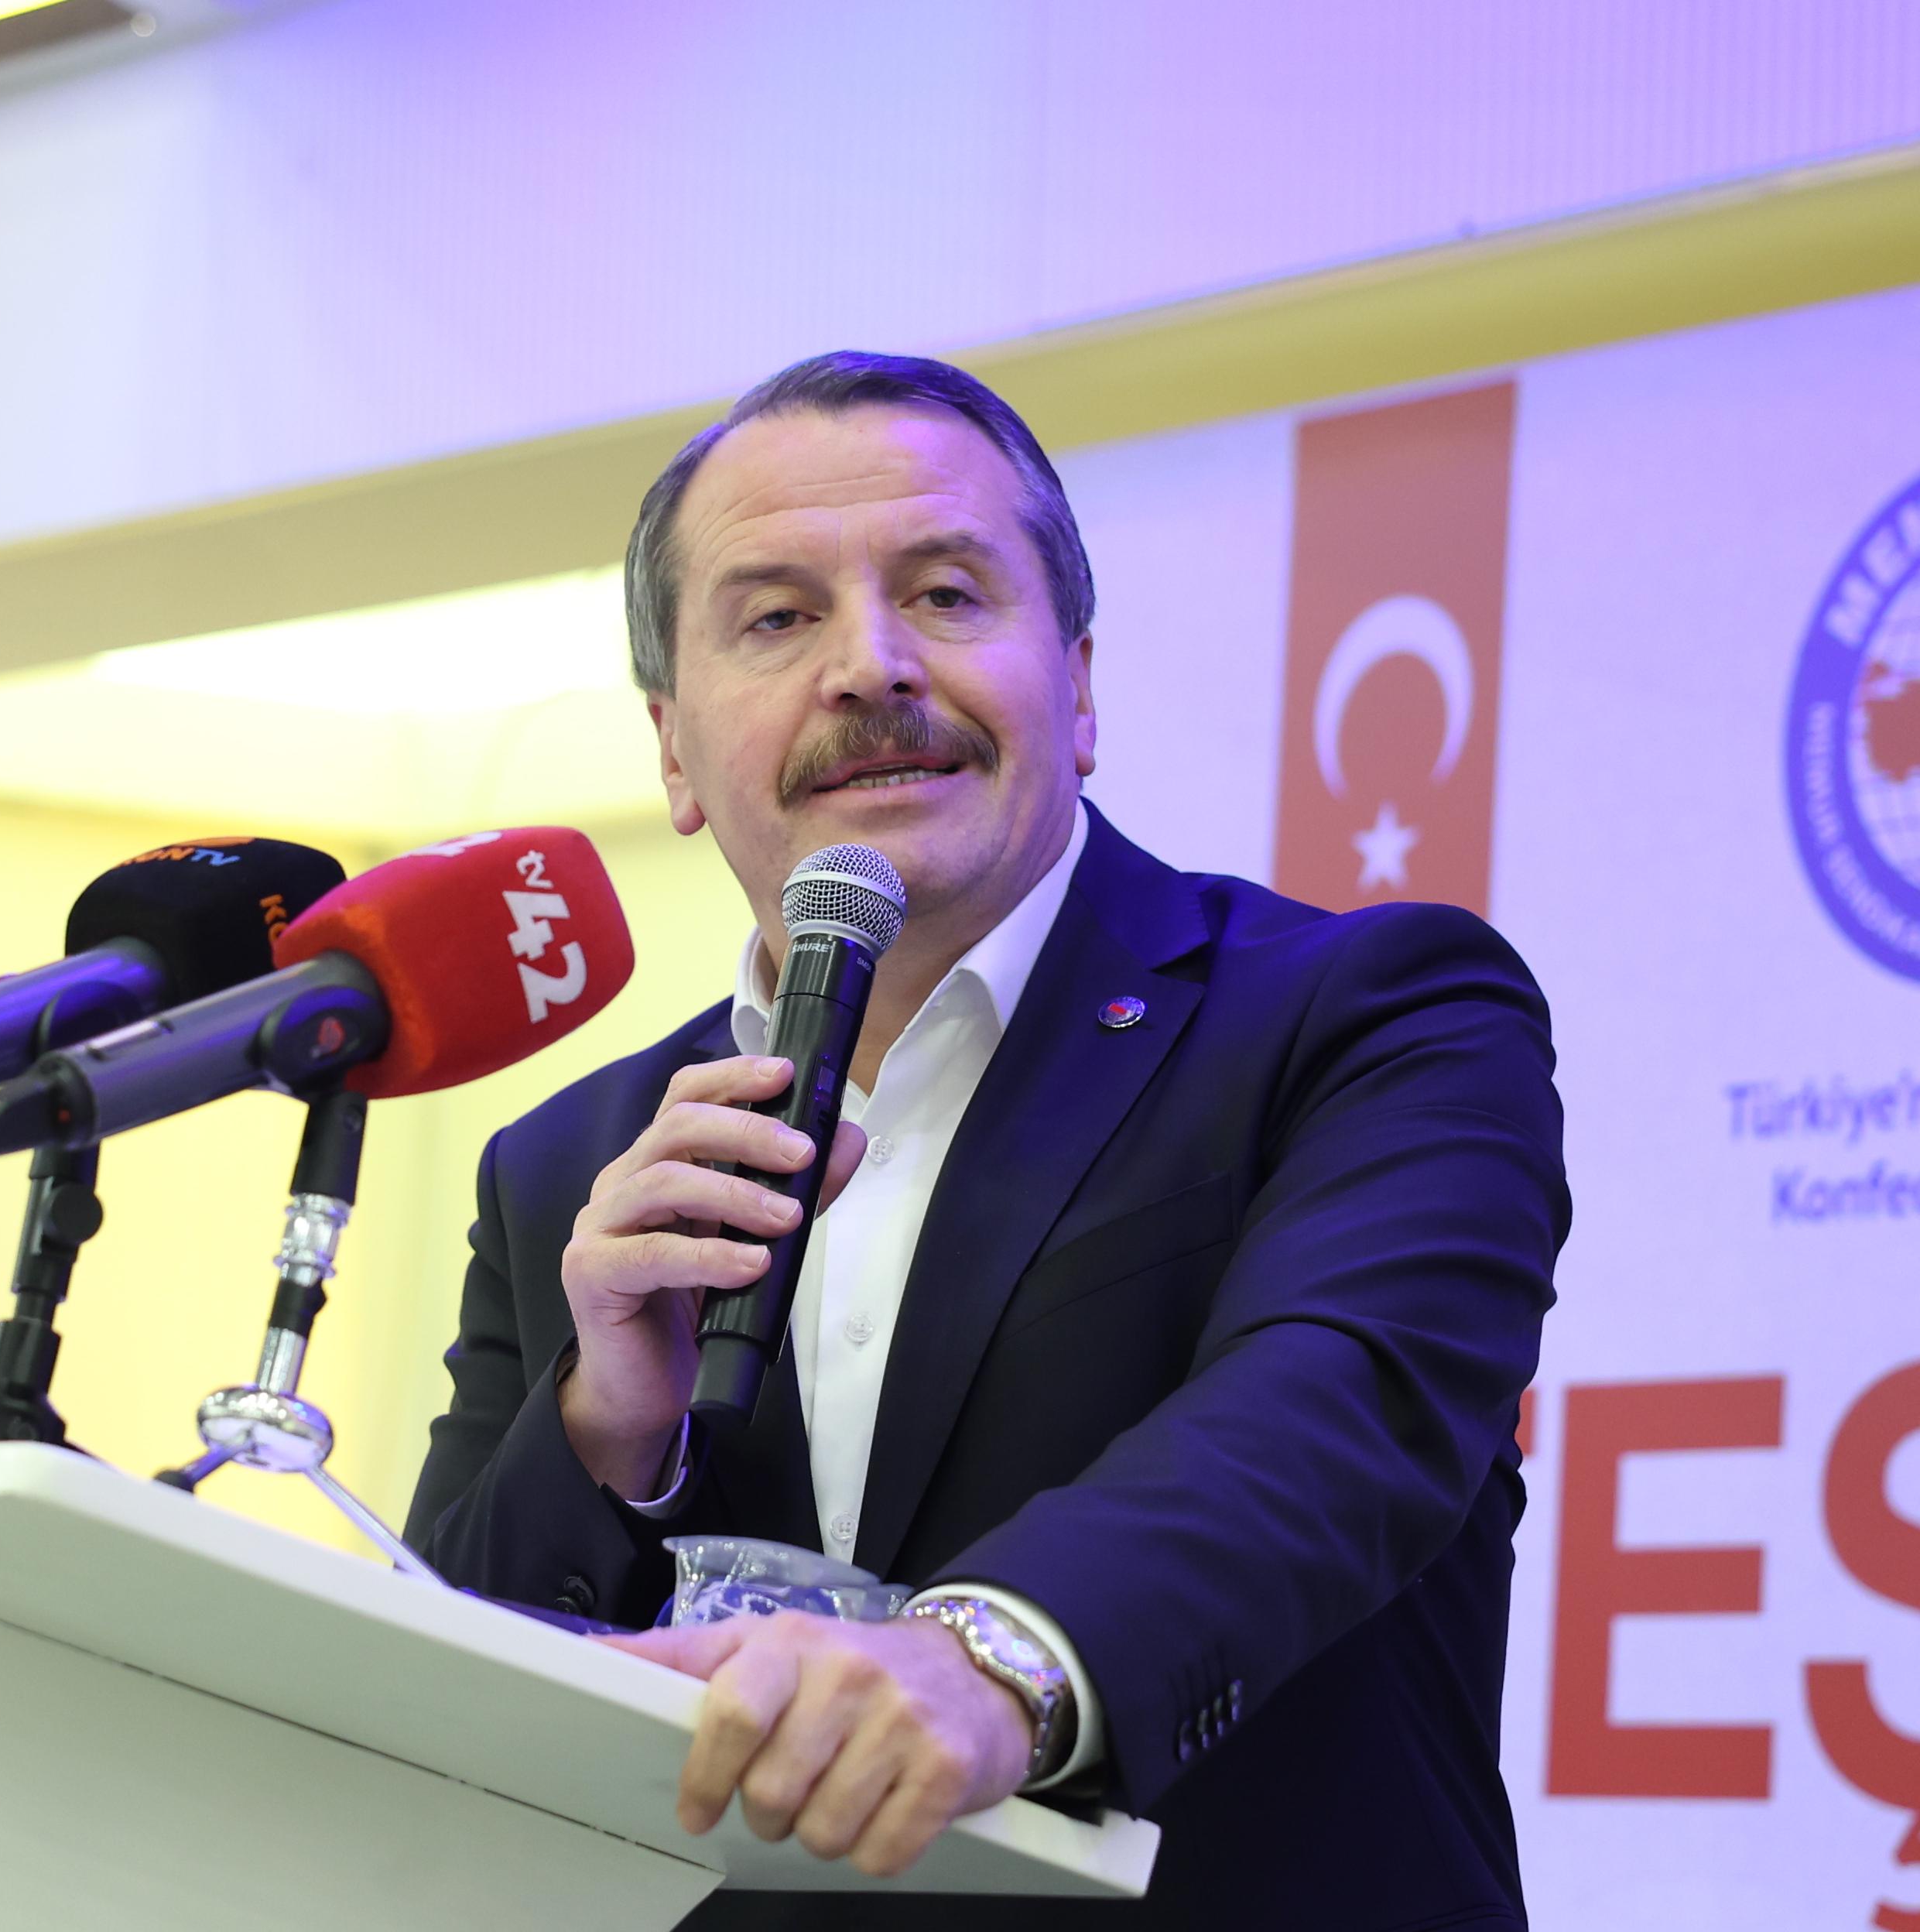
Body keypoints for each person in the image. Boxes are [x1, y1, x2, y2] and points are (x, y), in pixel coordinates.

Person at [403, 351, 1566, 1931]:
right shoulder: (572, 1166)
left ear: (1078, 689)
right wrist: (610, 1427)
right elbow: (451, 1691)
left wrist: (986, 1662)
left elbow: (1333, 1413)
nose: (870, 667)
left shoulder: (1371, 1015)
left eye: (946, 596)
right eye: (777, 619)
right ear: (673, 748)